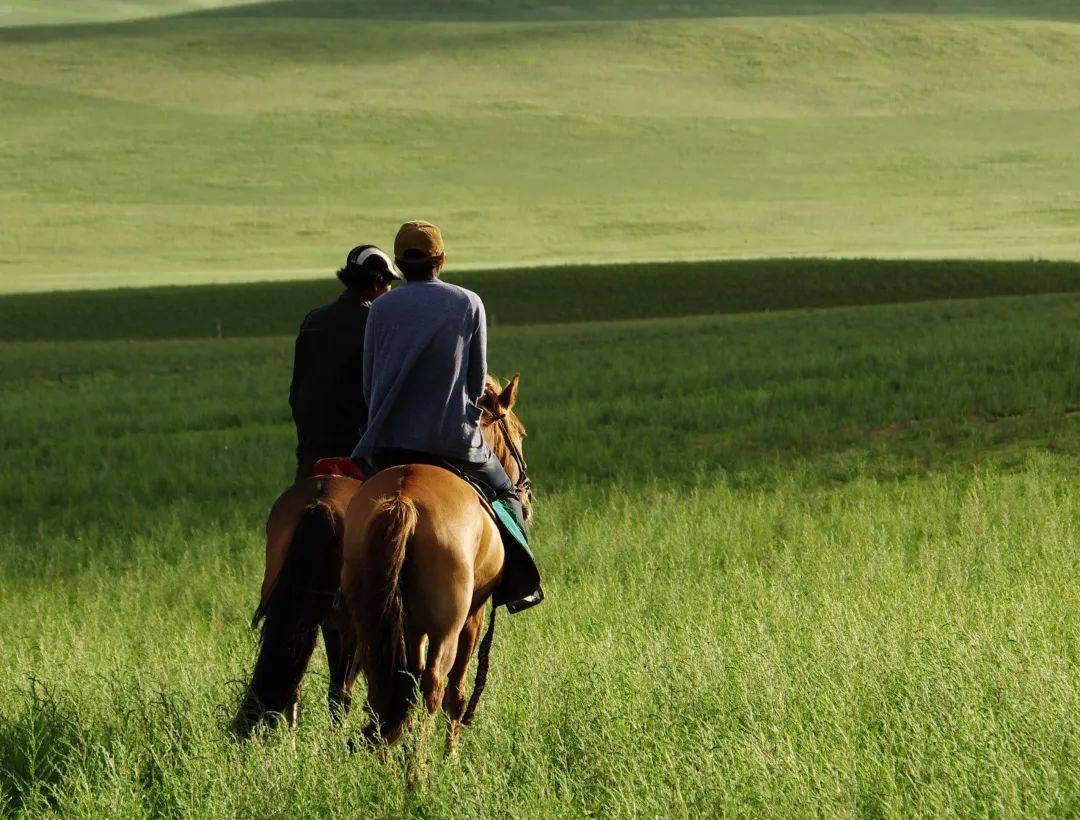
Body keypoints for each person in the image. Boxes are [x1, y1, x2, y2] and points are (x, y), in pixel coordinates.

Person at [352, 220, 542, 611]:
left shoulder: (380, 307)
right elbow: (475, 382)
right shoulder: (468, 302)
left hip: (386, 444)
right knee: (506, 491)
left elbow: (369, 382)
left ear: (400, 265)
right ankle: (521, 585)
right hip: (451, 442)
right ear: (441, 259)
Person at [289, 244, 401, 481]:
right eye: (388, 283)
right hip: (360, 451)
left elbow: (296, 390)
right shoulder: (377, 323)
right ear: (377, 283)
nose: (389, 290)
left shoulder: (313, 319)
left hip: (312, 452)